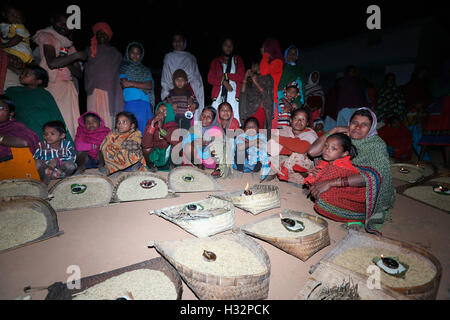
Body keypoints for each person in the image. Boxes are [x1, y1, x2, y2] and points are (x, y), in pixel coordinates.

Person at [308, 107, 395, 234]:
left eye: (364, 125)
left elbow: (373, 177)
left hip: (366, 191)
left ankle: (359, 216)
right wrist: (334, 130)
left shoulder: (376, 145)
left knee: (325, 199)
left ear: (371, 128)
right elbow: (312, 152)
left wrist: (330, 183)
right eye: (355, 123)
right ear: (349, 123)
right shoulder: (344, 137)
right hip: (346, 182)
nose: (358, 127)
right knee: (324, 172)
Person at [33, 13, 87, 139]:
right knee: (52, 123)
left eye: (67, 24)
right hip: (52, 86)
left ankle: (67, 154)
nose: (64, 26)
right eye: (60, 22)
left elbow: (78, 73)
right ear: (53, 21)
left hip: (67, 88)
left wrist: (66, 60)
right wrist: (76, 56)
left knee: (68, 124)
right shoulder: (47, 36)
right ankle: (50, 155)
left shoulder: (69, 44)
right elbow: (52, 63)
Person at [304, 133, 365, 223]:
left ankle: (356, 218)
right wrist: (314, 174)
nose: (327, 150)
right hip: (342, 194)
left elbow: (320, 184)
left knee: (323, 199)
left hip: (356, 202)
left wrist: (316, 177)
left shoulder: (340, 166)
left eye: (334, 148)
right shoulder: (326, 162)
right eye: (326, 146)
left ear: (344, 153)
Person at [5, 64, 72, 143]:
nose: (22, 75)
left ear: (38, 81)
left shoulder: (44, 94)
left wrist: (68, 140)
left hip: (42, 126)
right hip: (22, 127)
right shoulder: (13, 91)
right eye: (22, 73)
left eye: (27, 74)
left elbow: (56, 113)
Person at [84, 22, 124, 130]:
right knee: (92, 122)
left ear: (109, 36)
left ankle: (108, 146)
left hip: (109, 93)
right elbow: (85, 71)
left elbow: (117, 74)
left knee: (108, 122)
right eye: (99, 33)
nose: (101, 35)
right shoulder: (89, 51)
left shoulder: (115, 54)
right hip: (93, 92)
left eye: (104, 33)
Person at [266, 108, 318, 184]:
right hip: (287, 164)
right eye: (296, 118)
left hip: (303, 168)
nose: (299, 121)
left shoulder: (310, 134)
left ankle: (303, 179)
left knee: (298, 156)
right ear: (291, 120)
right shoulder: (285, 130)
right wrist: (292, 148)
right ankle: (279, 173)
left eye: (303, 119)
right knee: (269, 156)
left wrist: (278, 139)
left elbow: (302, 148)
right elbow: (269, 147)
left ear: (307, 123)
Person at [161, 33, 204, 121]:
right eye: (175, 41)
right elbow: (165, 79)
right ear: (172, 43)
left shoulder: (190, 58)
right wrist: (168, 97)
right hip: (172, 93)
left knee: (188, 123)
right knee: (173, 124)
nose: (178, 43)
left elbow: (196, 79)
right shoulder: (168, 57)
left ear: (184, 43)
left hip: (188, 92)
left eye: (180, 40)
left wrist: (194, 98)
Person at [0, 94, 39, 180]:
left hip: (16, 174)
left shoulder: (16, 127)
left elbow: (25, 142)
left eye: (0, 108)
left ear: (11, 113)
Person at [208, 37, 245, 125]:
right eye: (226, 45)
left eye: (230, 45)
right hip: (219, 95)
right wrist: (223, 82)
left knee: (234, 119)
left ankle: (233, 138)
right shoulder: (216, 61)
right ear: (222, 46)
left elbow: (241, 76)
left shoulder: (237, 60)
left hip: (233, 94)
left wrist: (226, 76)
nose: (228, 47)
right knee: (215, 120)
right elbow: (210, 78)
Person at [119, 42, 154, 135]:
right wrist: (142, 84)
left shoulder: (145, 70)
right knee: (130, 132)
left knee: (146, 133)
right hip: (131, 104)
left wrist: (131, 83)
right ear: (128, 53)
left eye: (138, 53)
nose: (135, 55)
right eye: (132, 52)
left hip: (145, 104)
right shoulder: (124, 68)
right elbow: (124, 84)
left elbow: (149, 86)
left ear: (141, 55)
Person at [100, 111, 147, 175]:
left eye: (124, 122)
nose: (120, 124)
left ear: (132, 126)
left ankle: (127, 167)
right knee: (105, 146)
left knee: (131, 146)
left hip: (132, 163)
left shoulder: (135, 134)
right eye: (118, 122)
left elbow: (133, 145)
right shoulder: (113, 134)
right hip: (116, 158)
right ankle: (113, 167)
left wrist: (118, 146)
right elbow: (104, 145)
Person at [181, 106, 222, 177]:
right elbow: (184, 145)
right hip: (198, 158)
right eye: (203, 115)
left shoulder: (216, 130)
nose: (204, 118)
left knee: (218, 146)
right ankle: (200, 165)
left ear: (213, 119)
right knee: (188, 145)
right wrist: (196, 142)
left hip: (211, 159)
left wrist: (208, 143)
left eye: (209, 117)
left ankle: (218, 168)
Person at [0, 5, 33, 92]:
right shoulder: (4, 26)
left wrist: (3, 46)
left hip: (21, 51)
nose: (15, 18)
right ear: (4, 15)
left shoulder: (20, 26)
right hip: (10, 50)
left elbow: (17, 39)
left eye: (18, 17)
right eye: (12, 15)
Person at [33, 120, 77, 184]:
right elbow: (35, 158)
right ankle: (44, 181)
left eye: (52, 134)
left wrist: (57, 161)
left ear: (62, 135)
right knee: (36, 163)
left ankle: (65, 181)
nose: (48, 136)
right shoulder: (41, 145)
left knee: (71, 165)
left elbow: (72, 158)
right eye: (45, 134)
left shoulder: (66, 144)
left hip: (61, 171)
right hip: (46, 171)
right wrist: (48, 163)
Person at [142, 102, 179, 172]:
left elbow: (176, 142)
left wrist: (160, 128)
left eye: (164, 111)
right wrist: (152, 126)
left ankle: (172, 167)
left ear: (170, 113)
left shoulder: (172, 125)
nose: (160, 113)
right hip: (155, 152)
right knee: (146, 149)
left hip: (167, 154)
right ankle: (152, 167)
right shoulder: (151, 123)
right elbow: (145, 144)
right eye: (158, 111)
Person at [239, 61, 274, 131]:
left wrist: (256, 82)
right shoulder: (249, 79)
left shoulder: (267, 78)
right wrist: (245, 77)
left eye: (254, 65)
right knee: (248, 134)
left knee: (259, 135)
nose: (252, 68)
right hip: (248, 111)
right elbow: (243, 93)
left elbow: (268, 95)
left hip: (260, 110)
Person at [260, 38, 284, 130]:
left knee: (271, 129)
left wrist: (265, 55)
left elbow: (264, 71)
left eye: (264, 47)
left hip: (272, 100)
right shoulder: (269, 62)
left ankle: (272, 144)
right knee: (264, 129)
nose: (261, 49)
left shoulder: (278, 62)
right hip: (266, 98)